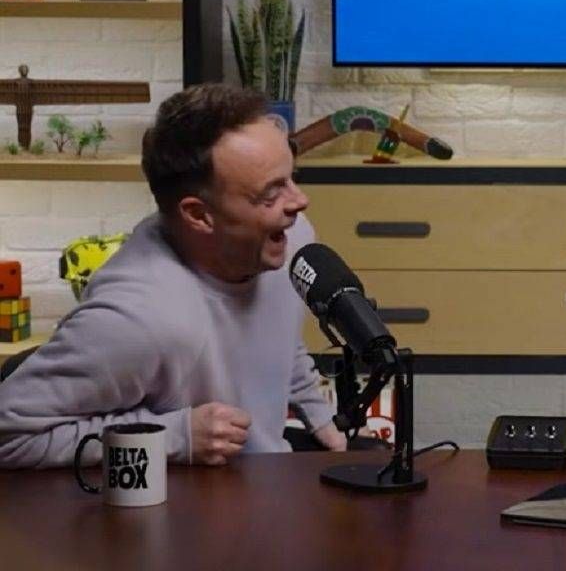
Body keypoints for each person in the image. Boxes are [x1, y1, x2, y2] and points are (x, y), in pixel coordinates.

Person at [0, 84, 344, 469]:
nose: (299, 201)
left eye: (291, 178)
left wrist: (320, 417)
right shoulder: (135, 320)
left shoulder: (289, 240)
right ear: (198, 215)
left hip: (262, 477)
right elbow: (8, 434)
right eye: (271, 193)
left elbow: (276, 331)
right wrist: (173, 436)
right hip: (178, 510)